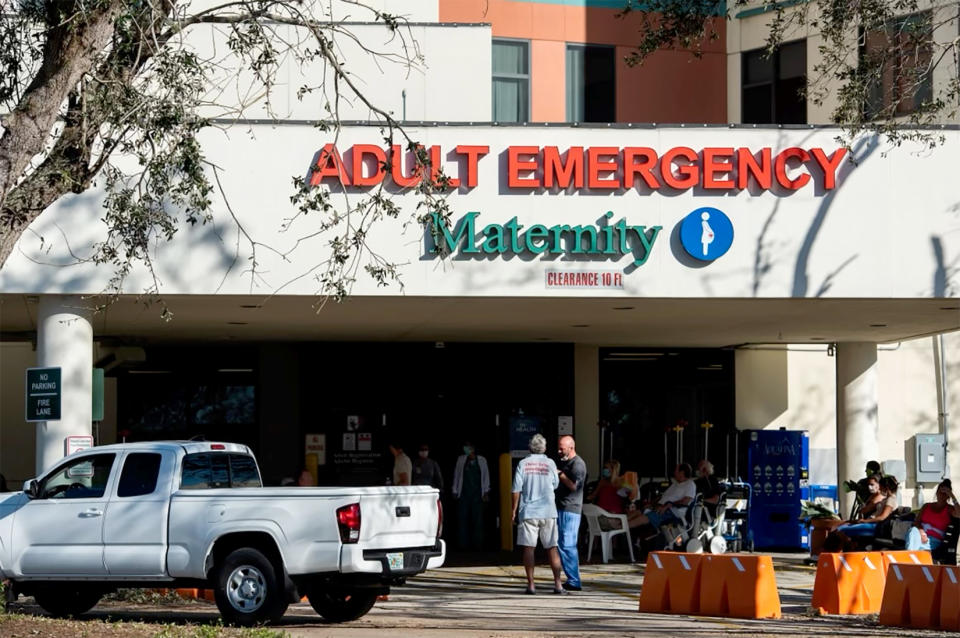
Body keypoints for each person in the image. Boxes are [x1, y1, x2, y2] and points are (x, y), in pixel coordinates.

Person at [511, 434, 564, 595]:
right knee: (552, 548)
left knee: (529, 548)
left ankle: (532, 585)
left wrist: (513, 511)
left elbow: (516, 490)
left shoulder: (523, 464)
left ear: (530, 448)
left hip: (528, 512)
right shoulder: (550, 463)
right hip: (548, 511)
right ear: (545, 448)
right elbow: (555, 484)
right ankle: (558, 585)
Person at [555, 435, 587, 592]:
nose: (559, 451)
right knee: (562, 544)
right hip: (562, 507)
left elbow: (575, 486)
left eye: (562, 448)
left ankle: (574, 580)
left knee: (568, 544)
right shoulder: (566, 462)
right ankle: (571, 578)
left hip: (571, 509)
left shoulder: (578, 465)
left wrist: (559, 474)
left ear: (571, 447)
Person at [627, 463, 697, 531]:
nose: (674, 473)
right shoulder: (675, 484)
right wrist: (651, 504)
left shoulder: (690, 485)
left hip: (672, 511)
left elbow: (686, 501)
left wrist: (668, 505)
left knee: (646, 516)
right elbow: (663, 496)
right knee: (638, 512)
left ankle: (622, 527)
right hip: (660, 507)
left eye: (676, 471)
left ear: (681, 473)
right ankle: (620, 523)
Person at [452, 441, 490, 550]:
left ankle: (478, 545)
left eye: (468, 447)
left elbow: (486, 476)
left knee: (477, 520)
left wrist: (486, 491)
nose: (466, 449)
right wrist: (454, 490)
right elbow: (457, 475)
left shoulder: (482, 460)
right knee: (462, 519)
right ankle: (462, 545)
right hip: (463, 493)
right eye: (465, 447)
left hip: (477, 495)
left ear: (473, 448)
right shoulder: (461, 459)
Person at [906, 479, 960, 551]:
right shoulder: (927, 506)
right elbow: (917, 522)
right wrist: (922, 533)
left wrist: (951, 494)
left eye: (944, 493)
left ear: (948, 496)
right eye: (940, 492)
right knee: (912, 531)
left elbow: (959, 514)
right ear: (936, 493)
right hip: (919, 534)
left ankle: (910, 557)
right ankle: (911, 557)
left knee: (917, 547)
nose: (941, 495)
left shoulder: (949, 509)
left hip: (934, 540)